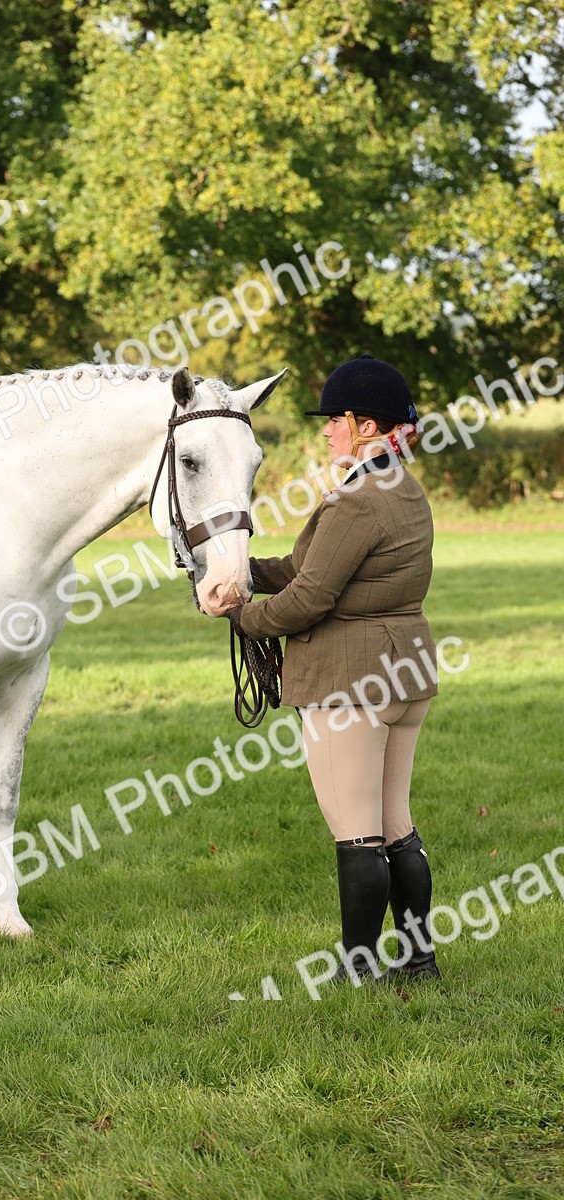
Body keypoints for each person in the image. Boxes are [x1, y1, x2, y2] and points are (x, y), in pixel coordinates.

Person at [226, 353, 441, 985]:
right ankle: (418, 958)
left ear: (366, 425)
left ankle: (360, 969)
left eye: (335, 420)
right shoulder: (402, 490)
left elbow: (308, 600)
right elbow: (303, 569)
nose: (326, 431)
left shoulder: (354, 501)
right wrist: (237, 574)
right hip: (406, 674)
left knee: (357, 834)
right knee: (395, 823)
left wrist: (243, 619)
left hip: (352, 679)